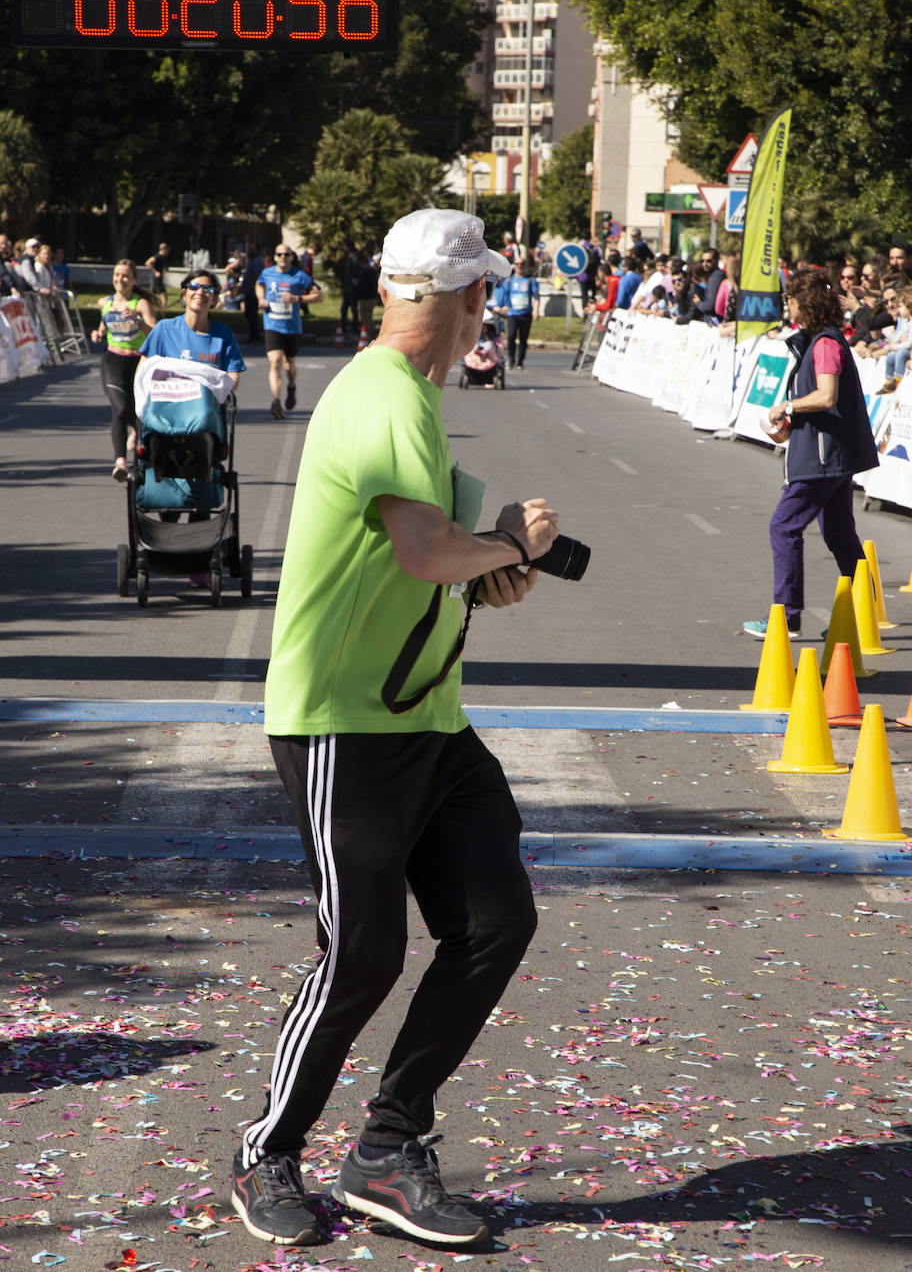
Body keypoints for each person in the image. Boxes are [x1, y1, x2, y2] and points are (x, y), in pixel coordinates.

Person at [230, 207, 558, 1252]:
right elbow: (423, 549)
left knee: (495, 920)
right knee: (361, 954)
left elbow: (421, 561)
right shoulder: (382, 396)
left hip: (427, 719)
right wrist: (505, 543)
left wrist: (486, 574)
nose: (483, 317)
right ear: (466, 302)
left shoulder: (406, 397)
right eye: (483, 299)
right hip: (343, 723)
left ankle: (386, 1147)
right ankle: (265, 1154)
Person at [742, 269, 878, 639]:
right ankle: (863, 612)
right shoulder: (816, 341)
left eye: (790, 299)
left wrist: (788, 407)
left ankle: (787, 616)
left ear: (807, 302)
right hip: (827, 454)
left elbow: (827, 396)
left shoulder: (825, 345)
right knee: (838, 533)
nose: (787, 306)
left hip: (823, 458)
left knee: (784, 527)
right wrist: (790, 421)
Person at [140, 270, 246, 584]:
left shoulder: (223, 336)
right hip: (165, 421)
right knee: (167, 487)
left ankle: (199, 558)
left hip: (204, 424)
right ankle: (168, 544)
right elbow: (144, 370)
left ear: (214, 298)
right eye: (194, 287)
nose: (201, 292)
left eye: (208, 288)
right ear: (185, 293)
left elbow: (232, 378)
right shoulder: (164, 330)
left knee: (202, 478)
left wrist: (211, 392)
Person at [90, 259, 157, 481]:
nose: (120, 279)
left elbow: (156, 334)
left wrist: (139, 322)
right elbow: (103, 327)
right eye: (117, 275)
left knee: (137, 409)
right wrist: (97, 334)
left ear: (134, 279)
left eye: (125, 275)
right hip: (113, 361)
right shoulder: (105, 302)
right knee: (119, 408)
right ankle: (120, 461)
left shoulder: (140, 304)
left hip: (137, 363)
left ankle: (137, 432)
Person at [257, 243, 322, 418]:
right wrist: (261, 298)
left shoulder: (300, 276)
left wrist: (297, 298)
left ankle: (291, 386)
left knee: (289, 364)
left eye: (286, 254)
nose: (283, 257)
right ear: (275, 257)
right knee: (275, 361)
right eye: (279, 254)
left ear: (292, 257)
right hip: (272, 324)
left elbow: (318, 295)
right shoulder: (267, 273)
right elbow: (259, 284)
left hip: (292, 327)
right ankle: (276, 401)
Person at [494, 255, 539, 368]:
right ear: (514, 266)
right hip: (512, 314)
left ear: (525, 266)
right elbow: (503, 295)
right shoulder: (509, 280)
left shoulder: (530, 280)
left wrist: (536, 310)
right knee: (511, 336)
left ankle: (520, 362)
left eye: (522, 264)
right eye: (517, 264)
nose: (519, 266)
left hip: (526, 314)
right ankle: (511, 359)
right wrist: (500, 307)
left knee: (523, 338)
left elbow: (536, 296)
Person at [878, 284, 912, 392]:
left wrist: (895, 347)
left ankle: (898, 379)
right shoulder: (906, 322)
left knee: (900, 354)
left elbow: (909, 344)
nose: (898, 309)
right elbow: (899, 334)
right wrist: (891, 345)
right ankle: (888, 381)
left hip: (909, 351)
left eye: (901, 306)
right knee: (891, 357)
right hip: (902, 347)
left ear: (909, 306)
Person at [242, 246, 266, 343]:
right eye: (250, 249)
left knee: (252, 314)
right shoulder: (254, 261)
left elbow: (257, 275)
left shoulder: (257, 261)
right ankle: (253, 334)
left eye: (254, 249)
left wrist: (251, 286)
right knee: (249, 314)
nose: (251, 251)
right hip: (249, 291)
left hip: (253, 292)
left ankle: (254, 336)